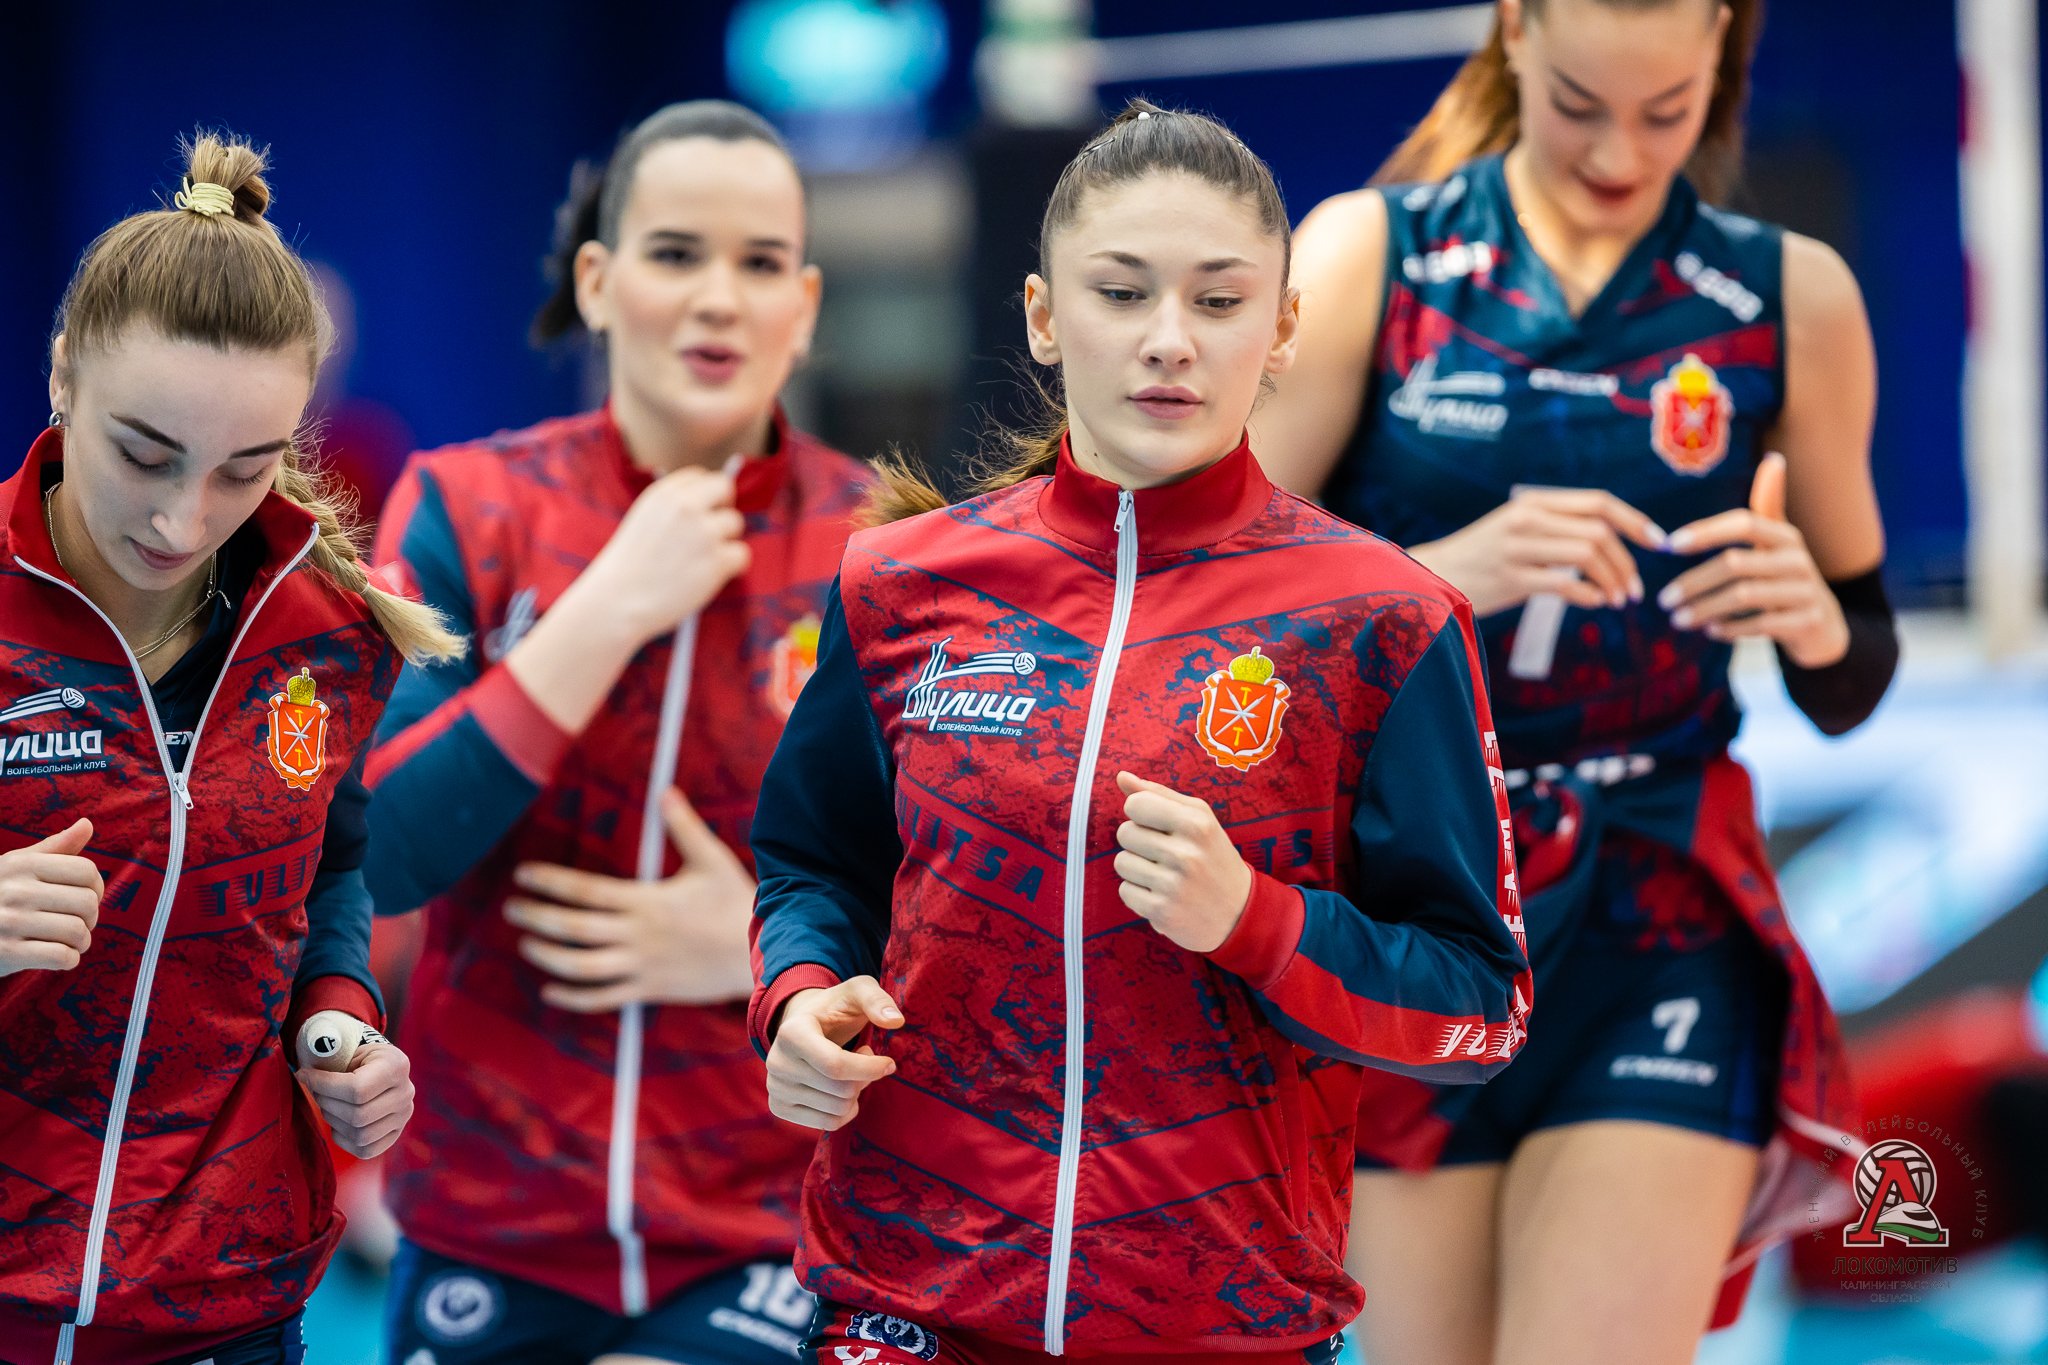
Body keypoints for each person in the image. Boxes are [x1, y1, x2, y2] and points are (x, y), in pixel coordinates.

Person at [748, 99, 1533, 1365]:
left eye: (1218, 301)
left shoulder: (1383, 620)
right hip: (908, 1304)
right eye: (1120, 294)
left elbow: (1478, 1011)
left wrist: (1255, 922)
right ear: (1043, 315)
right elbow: (810, 862)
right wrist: (794, 1000)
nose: (1168, 338)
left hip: (1226, 1327)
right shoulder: (897, 584)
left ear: (1283, 328)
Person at [1254, 0, 1897, 1358]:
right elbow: (1218, 628)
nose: (1618, 154)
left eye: (1665, 114)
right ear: (1515, 32)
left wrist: (1814, 623)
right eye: (1579, 107)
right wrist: (1438, 579)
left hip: (1657, 897)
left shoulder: (1788, 297)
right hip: (1420, 902)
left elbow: (1855, 667)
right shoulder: (1373, 255)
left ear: (1720, 49)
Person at [363, 101, 873, 1365]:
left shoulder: (886, 550)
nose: (719, 299)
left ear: (805, 306)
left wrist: (756, 946)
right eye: (675, 253)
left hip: (770, 1227)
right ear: (597, 281)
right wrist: (603, 611)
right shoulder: (469, 506)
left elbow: (965, 899)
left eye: (761, 263)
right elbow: (378, 852)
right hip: (489, 1219)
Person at [0, 132, 457, 1365]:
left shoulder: (333, 633)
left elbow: (332, 873)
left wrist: (338, 1020)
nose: (180, 518)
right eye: (143, 454)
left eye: (244, 471)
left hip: (231, 1308)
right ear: (62, 375)